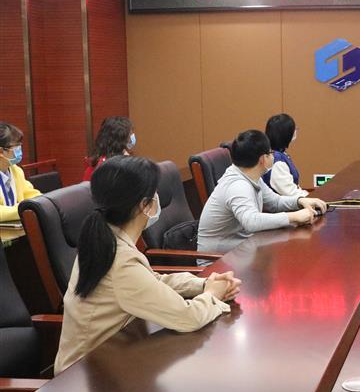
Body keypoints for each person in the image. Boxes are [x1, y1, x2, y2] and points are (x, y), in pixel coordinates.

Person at [55, 156, 240, 373]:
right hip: (86, 376)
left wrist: (203, 284)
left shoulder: (104, 239)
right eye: (154, 192)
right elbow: (188, 318)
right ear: (144, 205)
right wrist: (213, 294)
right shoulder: (119, 260)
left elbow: (151, 281)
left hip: (113, 358)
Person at [198, 130, 327, 254]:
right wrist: (293, 217)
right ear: (263, 159)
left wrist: (300, 201)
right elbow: (252, 222)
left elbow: (275, 202)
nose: (273, 156)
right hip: (218, 261)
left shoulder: (251, 175)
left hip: (241, 251)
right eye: (271, 153)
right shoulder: (238, 186)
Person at [0, 122, 42, 223]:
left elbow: (30, 194)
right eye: (16, 146)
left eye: (19, 145)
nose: (19, 149)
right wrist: (25, 208)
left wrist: (45, 203)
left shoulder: (16, 170)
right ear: (1, 152)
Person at [262, 113, 308, 198]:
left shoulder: (280, 154)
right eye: (294, 129)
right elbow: (289, 192)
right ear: (286, 133)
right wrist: (311, 197)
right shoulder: (276, 160)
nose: (296, 131)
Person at [83, 116, 136, 182]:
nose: (132, 138)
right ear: (120, 138)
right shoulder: (107, 167)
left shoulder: (123, 160)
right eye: (130, 134)